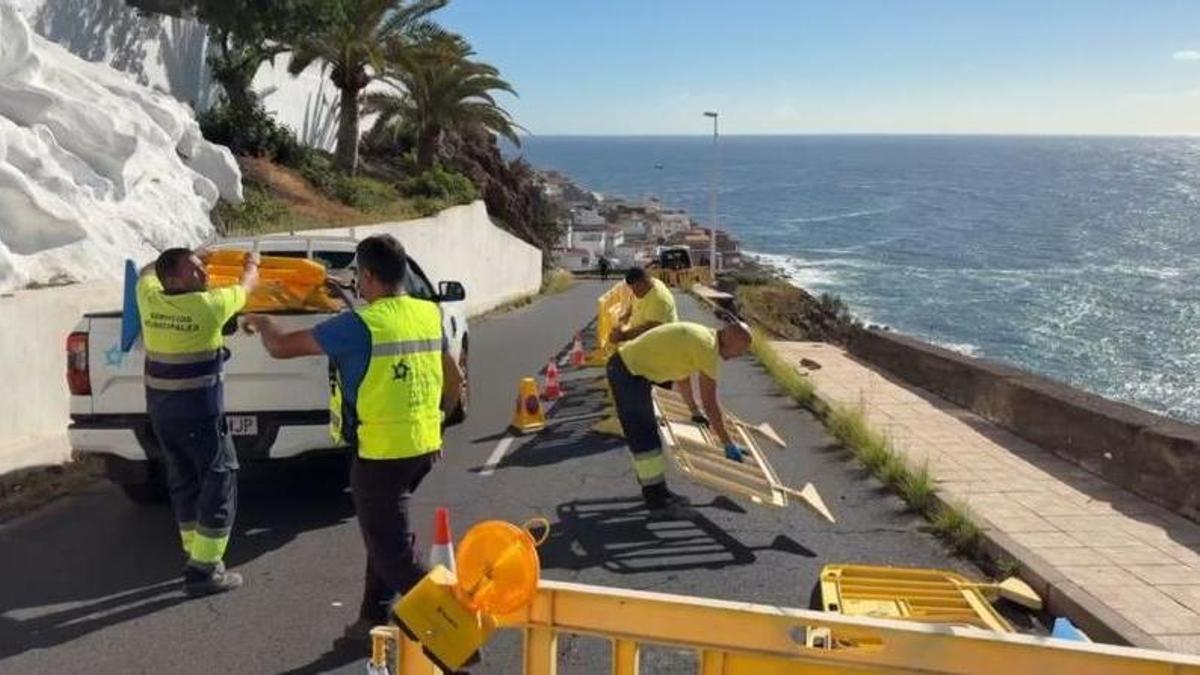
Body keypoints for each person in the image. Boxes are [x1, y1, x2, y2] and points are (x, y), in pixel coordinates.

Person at [242, 234, 463, 641]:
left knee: (394, 554)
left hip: (381, 455)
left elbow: (281, 348)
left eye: (358, 277)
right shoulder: (426, 313)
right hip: (423, 448)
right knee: (385, 536)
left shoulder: (358, 326)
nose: (357, 284)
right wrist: (440, 423)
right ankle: (370, 621)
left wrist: (263, 321)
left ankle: (459, 629)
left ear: (369, 276)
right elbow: (455, 378)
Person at [137, 247, 260, 596]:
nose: (204, 274)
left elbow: (146, 272)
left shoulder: (149, 299)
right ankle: (205, 570)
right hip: (200, 415)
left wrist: (194, 255)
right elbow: (248, 287)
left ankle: (194, 550)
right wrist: (253, 264)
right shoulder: (209, 306)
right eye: (194, 271)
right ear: (173, 279)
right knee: (219, 479)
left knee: (184, 480)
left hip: (162, 414)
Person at [606, 320, 752, 519]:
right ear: (730, 339)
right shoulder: (708, 348)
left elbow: (682, 377)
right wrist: (727, 443)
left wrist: (694, 410)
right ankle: (656, 502)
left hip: (630, 372)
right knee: (645, 440)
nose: (739, 356)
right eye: (741, 350)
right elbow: (710, 403)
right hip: (627, 373)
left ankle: (660, 492)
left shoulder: (704, 338)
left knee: (648, 438)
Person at [611, 267, 678, 344]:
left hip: (660, 343)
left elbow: (650, 328)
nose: (635, 292)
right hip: (644, 340)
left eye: (637, 287)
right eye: (632, 288)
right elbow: (631, 307)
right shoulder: (643, 290)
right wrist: (622, 321)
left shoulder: (659, 299)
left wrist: (623, 336)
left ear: (646, 282)